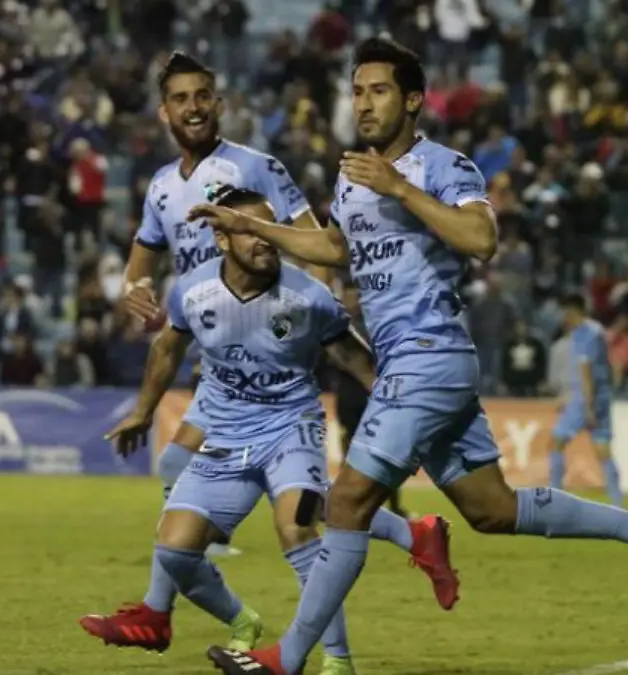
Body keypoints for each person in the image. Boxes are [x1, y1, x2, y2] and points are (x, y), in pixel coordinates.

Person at [196, 38, 628, 675]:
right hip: (414, 364)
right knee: (492, 509)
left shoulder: (441, 165)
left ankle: (287, 660)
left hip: (427, 355)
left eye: (379, 91)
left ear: (412, 100)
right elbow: (336, 250)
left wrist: (401, 188)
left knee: (346, 502)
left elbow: (481, 238)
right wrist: (255, 227)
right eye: (357, 91)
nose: (364, 104)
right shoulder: (354, 180)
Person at [80, 187, 459, 658]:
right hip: (226, 433)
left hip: (290, 425)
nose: (264, 239)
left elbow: (356, 360)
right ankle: (245, 618)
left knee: (296, 526)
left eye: (269, 229)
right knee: (175, 551)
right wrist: (142, 411)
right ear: (222, 239)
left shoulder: (308, 297)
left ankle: (337, 662)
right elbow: (166, 349)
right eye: (249, 230)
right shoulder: (193, 291)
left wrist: (404, 419)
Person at [118, 51, 327, 558]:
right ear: (164, 112)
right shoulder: (162, 186)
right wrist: (136, 287)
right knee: (203, 468)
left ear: (219, 104)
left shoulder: (254, 167)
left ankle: (196, 554)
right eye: (180, 99)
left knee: (269, 487)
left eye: (201, 97)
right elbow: (142, 257)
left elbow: (316, 246)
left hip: (264, 342)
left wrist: (305, 322)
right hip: (214, 347)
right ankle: (201, 551)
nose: (192, 107)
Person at [334, 280, 409, 518]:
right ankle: (346, 505)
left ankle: (394, 506)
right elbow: (333, 355)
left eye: (356, 296)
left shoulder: (375, 324)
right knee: (350, 447)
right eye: (349, 296)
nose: (352, 301)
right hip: (349, 393)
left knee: (386, 449)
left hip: (376, 393)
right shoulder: (337, 324)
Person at [550, 294, 622, 507]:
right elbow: (609, 364)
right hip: (602, 395)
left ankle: (554, 496)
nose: (563, 317)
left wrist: (587, 404)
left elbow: (585, 368)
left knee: (556, 442)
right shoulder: (598, 330)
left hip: (586, 398)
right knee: (603, 448)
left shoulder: (583, 334)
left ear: (573, 311)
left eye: (565, 312)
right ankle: (617, 501)